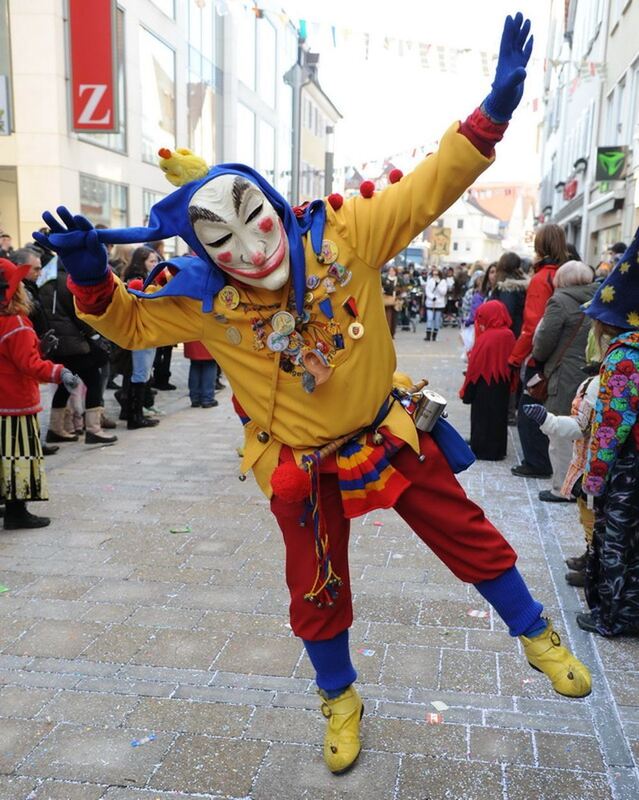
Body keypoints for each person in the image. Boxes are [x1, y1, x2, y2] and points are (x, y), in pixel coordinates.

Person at [35, 13, 592, 776]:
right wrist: (93, 276)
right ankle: (339, 698)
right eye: (223, 240)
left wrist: (489, 115)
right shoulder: (202, 297)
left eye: (255, 220)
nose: (252, 246)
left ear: (272, 204)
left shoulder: (344, 235)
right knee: (315, 579)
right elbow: (127, 326)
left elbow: (429, 188)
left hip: (387, 427)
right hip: (298, 460)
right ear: (203, 251)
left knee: (461, 527)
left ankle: (535, 635)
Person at [576, 230, 639, 637]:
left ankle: (614, 617)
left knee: (616, 542)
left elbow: (611, 429)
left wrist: (593, 479)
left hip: (628, 468)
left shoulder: (623, 359)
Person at [0, 259, 79, 529]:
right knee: (19, 457)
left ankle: (7, 506)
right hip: (16, 403)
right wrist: (59, 371)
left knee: (4, 457)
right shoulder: (17, 323)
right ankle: (16, 512)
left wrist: (39, 349)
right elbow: (28, 365)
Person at [530, 261, 597, 501]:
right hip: (591, 375)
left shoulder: (560, 301)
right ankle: (582, 485)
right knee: (586, 432)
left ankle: (562, 488)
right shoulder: (598, 297)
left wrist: (537, 357)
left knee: (559, 433)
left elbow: (545, 340)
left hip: (564, 374)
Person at [509, 223, 569, 479]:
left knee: (529, 406)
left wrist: (515, 357)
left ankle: (537, 462)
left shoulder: (541, 278)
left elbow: (533, 325)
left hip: (541, 355)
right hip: (565, 356)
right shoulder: (566, 274)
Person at [38, 254, 117, 445]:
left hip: (59, 342)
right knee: (94, 381)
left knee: (68, 384)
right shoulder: (68, 282)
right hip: (74, 342)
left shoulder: (46, 281)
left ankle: (56, 429)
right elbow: (80, 313)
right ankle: (93, 429)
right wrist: (94, 335)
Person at [460, 300, 515, 460]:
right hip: (502, 382)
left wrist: (466, 388)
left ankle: (482, 449)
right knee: (499, 417)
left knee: (482, 417)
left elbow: (475, 366)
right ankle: (498, 450)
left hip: (484, 382)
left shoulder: (486, 337)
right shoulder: (509, 334)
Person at [120, 247, 161, 430]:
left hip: (145, 330)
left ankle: (134, 413)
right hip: (140, 331)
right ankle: (135, 417)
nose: (156, 264)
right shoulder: (137, 280)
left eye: (156, 261)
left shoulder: (147, 277)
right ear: (141, 262)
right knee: (140, 374)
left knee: (142, 373)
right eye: (152, 261)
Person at [489, 251, 528, 337]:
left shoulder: (507, 288)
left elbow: (506, 314)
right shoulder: (520, 285)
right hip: (516, 331)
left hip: (507, 334)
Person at [184, 340, 218, 408]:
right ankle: (207, 398)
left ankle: (195, 398)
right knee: (210, 365)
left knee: (194, 365)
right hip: (208, 340)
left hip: (192, 339)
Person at [424, 266, 448, 341]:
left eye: (436, 274)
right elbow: (427, 290)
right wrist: (432, 297)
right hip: (430, 302)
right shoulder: (430, 280)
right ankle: (428, 335)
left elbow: (443, 292)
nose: (435, 276)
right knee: (430, 318)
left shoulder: (443, 281)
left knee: (437, 320)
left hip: (439, 303)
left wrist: (438, 286)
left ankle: (434, 336)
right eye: (434, 274)